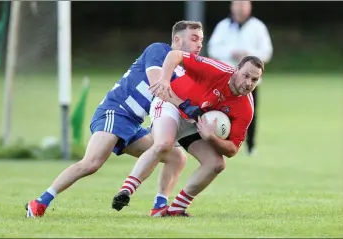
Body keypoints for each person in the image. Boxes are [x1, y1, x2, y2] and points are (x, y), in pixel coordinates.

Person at [25, 20, 204, 218]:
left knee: (176, 157)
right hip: (115, 111)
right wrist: (187, 106)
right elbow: (157, 86)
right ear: (177, 40)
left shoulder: (185, 70)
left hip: (133, 124)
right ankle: (39, 203)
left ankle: (159, 207)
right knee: (91, 163)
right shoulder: (159, 50)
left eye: (201, 40)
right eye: (194, 38)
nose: (199, 44)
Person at [112, 50, 264, 217]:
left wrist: (211, 138)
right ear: (236, 70)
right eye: (246, 76)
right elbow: (175, 55)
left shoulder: (246, 108)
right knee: (164, 144)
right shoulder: (216, 70)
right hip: (172, 104)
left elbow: (233, 149)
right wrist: (164, 80)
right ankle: (126, 190)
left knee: (216, 164)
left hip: (194, 122)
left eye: (255, 79)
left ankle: (176, 208)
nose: (249, 83)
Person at [207, 0, 273, 155]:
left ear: (250, 6)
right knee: (219, 111)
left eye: (244, 4)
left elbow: (267, 51)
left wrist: (248, 55)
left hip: (249, 82)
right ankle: (218, 143)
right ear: (232, 6)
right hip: (226, 81)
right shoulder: (223, 26)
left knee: (250, 113)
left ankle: (250, 147)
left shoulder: (258, 27)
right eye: (238, 4)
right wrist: (231, 52)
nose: (241, 8)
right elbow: (213, 48)